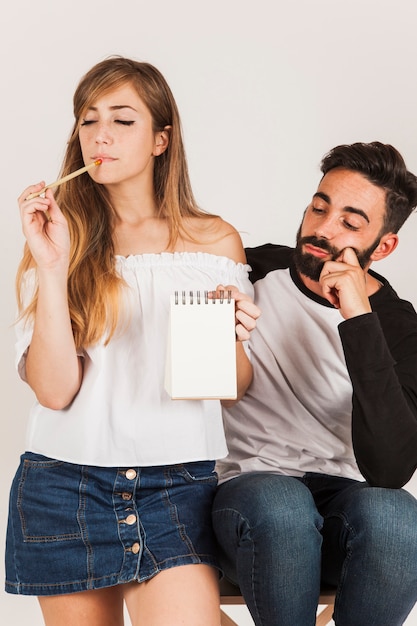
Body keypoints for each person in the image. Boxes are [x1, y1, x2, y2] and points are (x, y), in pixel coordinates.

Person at [5, 56, 260, 626]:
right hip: (64, 484)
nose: (100, 135)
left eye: (123, 121)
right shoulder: (55, 238)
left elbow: (233, 387)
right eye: (88, 120)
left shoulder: (215, 241)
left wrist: (233, 338)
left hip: (176, 485)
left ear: (160, 140)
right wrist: (51, 268)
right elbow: (53, 391)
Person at [212, 142, 417, 626]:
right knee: (282, 507)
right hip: (245, 501)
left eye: (350, 222)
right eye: (318, 207)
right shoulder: (250, 269)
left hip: (342, 512)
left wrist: (358, 319)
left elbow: (389, 471)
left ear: (383, 246)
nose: (322, 230)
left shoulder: (398, 326)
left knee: (398, 520)